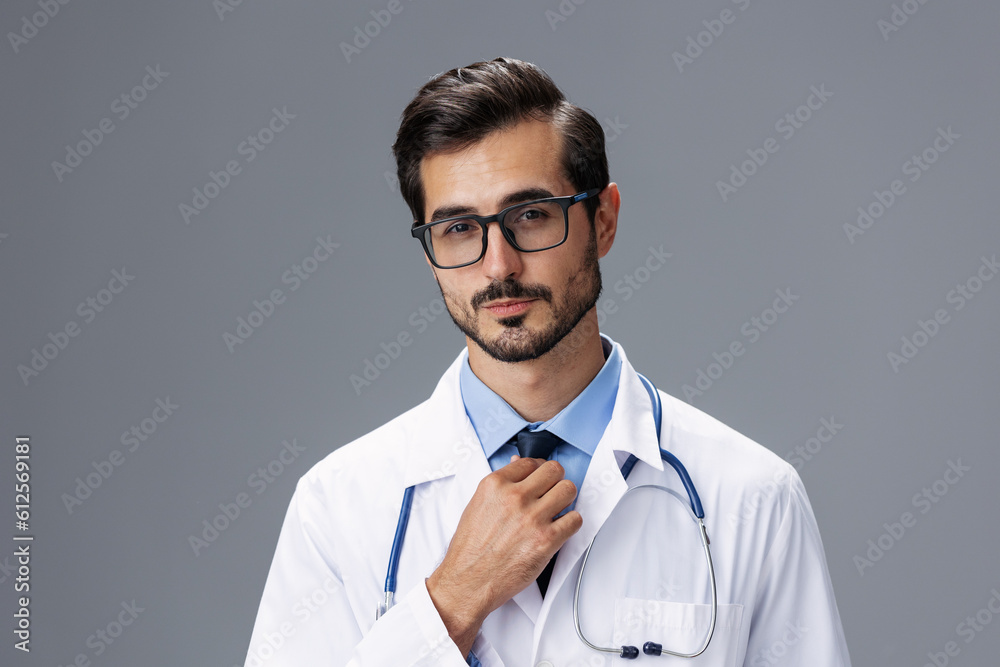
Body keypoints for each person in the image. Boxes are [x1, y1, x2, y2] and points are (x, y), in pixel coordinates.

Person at [244, 57, 852, 666]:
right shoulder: (338, 505)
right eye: (458, 228)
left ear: (603, 220)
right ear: (430, 254)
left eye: (530, 216)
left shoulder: (752, 496)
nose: (498, 265)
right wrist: (452, 603)